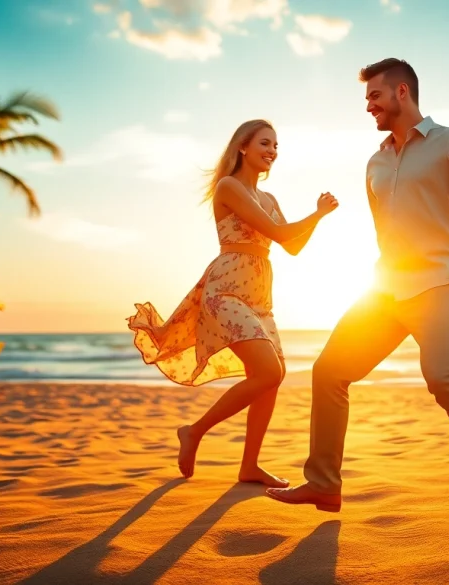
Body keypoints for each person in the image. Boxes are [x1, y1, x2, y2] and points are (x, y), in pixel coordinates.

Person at [266, 58, 449, 532]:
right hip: (385, 288)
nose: (368, 106)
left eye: (375, 97)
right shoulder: (376, 162)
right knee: (329, 372)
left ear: (402, 92)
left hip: (440, 281)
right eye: (367, 98)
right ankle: (323, 482)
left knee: (443, 377)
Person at [127, 119, 339, 488]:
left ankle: (249, 466)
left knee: (271, 379)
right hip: (225, 290)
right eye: (265, 143)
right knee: (269, 372)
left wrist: (317, 221)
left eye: (276, 146)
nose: (272, 151)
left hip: (259, 295)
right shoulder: (229, 187)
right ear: (242, 146)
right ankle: (194, 431)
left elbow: (292, 245)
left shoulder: (269, 199)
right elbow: (277, 232)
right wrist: (317, 213)